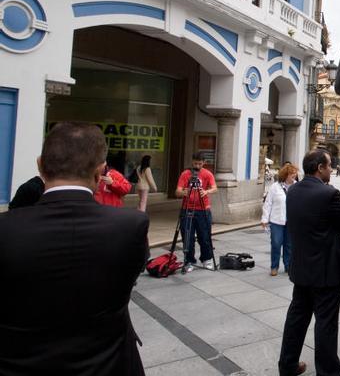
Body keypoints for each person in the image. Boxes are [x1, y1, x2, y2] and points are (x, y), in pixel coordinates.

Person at [0, 122, 149, 375]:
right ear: (99, 171)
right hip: (110, 365)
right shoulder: (130, 226)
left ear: (40, 165)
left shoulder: (7, 230)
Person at [278, 149, 340, 376]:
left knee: (296, 318)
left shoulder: (292, 191)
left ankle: (287, 365)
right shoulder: (329, 193)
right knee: (326, 323)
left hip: (301, 268)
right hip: (326, 271)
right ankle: (328, 372)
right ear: (320, 168)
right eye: (329, 165)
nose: (331, 169)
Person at [175, 152, 218, 272]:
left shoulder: (207, 174)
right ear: (192, 162)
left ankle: (207, 259)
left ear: (203, 163)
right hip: (187, 208)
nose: (197, 166)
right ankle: (189, 261)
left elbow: (215, 188)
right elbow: (177, 191)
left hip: (203, 209)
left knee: (204, 236)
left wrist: (206, 192)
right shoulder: (185, 174)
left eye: (199, 163)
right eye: (195, 163)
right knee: (187, 236)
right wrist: (184, 192)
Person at [262, 163, 298, 276]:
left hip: (291, 221)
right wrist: (264, 219)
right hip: (277, 220)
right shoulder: (275, 187)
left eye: (295, 174)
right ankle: (274, 266)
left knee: (289, 245)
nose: (294, 176)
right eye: (292, 174)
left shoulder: (297, 186)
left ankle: (288, 266)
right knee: (276, 243)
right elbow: (268, 203)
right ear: (285, 175)